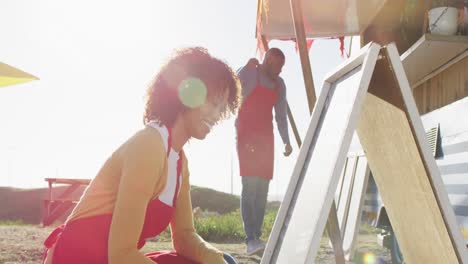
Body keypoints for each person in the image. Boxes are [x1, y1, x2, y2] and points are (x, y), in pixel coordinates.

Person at [42, 47, 241, 264]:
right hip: (76, 258)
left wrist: (218, 260)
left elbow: (184, 236)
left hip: (110, 259)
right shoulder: (149, 146)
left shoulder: (179, 162)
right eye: (213, 103)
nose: (217, 115)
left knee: (224, 261)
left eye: (222, 109)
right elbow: (122, 255)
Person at [236, 48, 292, 255]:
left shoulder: (280, 84)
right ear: (267, 60)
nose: (278, 71)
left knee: (262, 189)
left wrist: (286, 141)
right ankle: (250, 239)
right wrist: (244, 66)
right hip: (246, 135)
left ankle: (257, 238)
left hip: (266, 138)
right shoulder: (251, 71)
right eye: (276, 66)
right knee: (250, 186)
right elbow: (233, 80)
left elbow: (281, 115)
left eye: (281, 67)